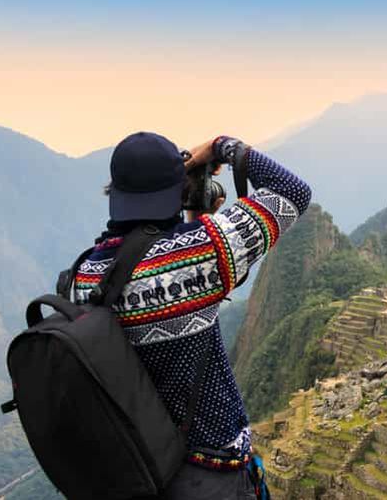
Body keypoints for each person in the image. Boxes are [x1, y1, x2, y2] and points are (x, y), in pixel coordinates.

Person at [73, 132, 311, 499]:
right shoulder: (204, 251)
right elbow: (291, 191)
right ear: (176, 190)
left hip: (136, 474)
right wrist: (220, 147)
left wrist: (192, 218)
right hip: (210, 475)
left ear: (115, 194)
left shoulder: (83, 276)